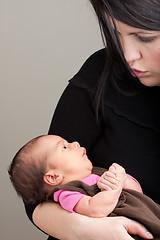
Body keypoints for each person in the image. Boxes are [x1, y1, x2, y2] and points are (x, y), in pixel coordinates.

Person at [23, 0, 160, 239]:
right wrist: (84, 229)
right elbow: (37, 192)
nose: (127, 55)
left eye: (144, 37)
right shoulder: (100, 72)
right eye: (115, 33)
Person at [8, 135, 160, 239]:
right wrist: (114, 188)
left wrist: (123, 179)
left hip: (151, 218)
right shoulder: (66, 193)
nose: (74, 143)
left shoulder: (97, 172)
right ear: (53, 177)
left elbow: (137, 194)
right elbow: (95, 209)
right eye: (64, 148)